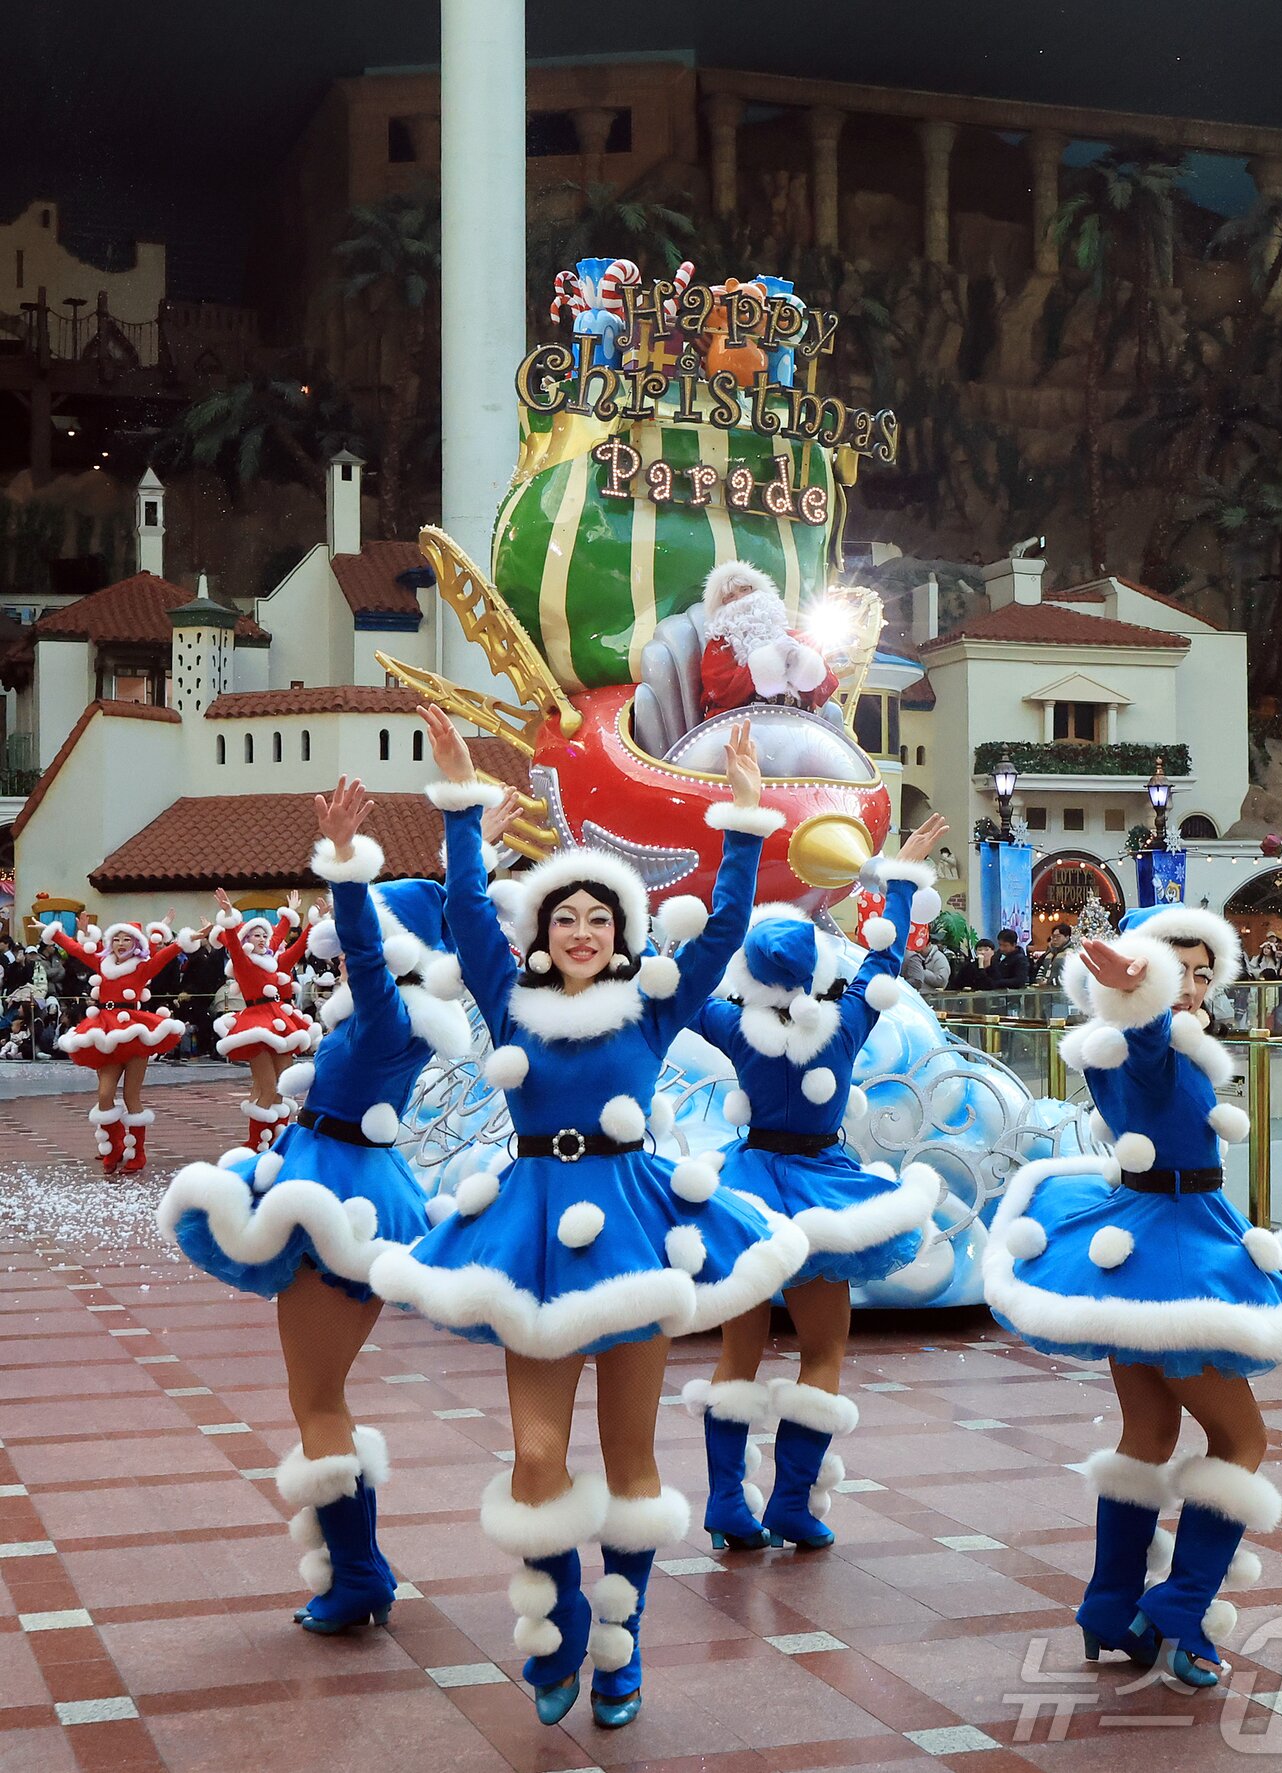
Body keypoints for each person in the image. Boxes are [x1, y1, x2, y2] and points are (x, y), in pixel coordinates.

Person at [369, 707, 809, 1732]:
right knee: (532, 1456)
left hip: (630, 1233)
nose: (580, 933)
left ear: (620, 935)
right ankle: (565, 1611)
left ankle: (623, 1647)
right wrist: (457, 799)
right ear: (544, 933)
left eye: (598, 920)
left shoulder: (652, 1006)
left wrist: (742, 823)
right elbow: (470, 911)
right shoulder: (507, 999)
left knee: (630, 1462)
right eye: (564, 918)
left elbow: (729, 930)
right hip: (526, 1234)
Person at [158, 778, 517, 1637]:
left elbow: (362, 947)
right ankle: (359, 1565)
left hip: (338, 1199)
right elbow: (410, 935)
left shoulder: (389, 1011)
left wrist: (348, 867)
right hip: (342, 1185)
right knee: (317, 1392)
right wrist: (470, 848)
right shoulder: (396, 1013)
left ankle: (357, 1573)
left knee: (316, 1396)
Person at [983, 904, 1282, 1688]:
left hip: (1148, 1237)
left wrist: (1146, 999)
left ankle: (1111, 1606)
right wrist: (1140, 1000)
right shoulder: (1144, 1043)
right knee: (1241, 1442)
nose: (1193, 985)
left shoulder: (1136, 1045)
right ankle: (1180, 1609)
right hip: (1179, 1247)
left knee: (1147, 1431)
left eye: (1203, 969)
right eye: (1175, 968)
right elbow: (1148, 1051)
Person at [683, 818, 949, 1556]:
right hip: (826, 1193)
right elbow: (884, 956)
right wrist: (901, 877)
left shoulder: (732, 1025)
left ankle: (726, 1500)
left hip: (750, 1193)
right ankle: (794, 1502)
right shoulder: (844, 1022)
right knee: (823, 1348)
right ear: (811, 973)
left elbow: (684, 979)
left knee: (739, 1352)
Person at [39, 911, 197, 1174]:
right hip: (106, 1032)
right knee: (104, 1094)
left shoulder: (142, 966)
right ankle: (113, 1146)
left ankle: (138, 1153)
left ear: (136, 944)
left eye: (127, 939)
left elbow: (165, 954)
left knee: (131, 1095)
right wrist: (54, 932)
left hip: (135, 1032)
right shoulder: (103, 964)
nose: (121, 944)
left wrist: (185, 939)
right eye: (117, 939)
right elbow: (76, 949)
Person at [209, 888, 320, 1149]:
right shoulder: (243, 964)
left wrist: (309, 920)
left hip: (280, 1022)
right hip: (256, 1025)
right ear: (247, 939)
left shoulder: (275, 962)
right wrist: (228, 915)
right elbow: (234, 944)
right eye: (255, 935)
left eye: (263, 935)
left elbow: (294, 944)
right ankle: (255, 1143)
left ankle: (276, 1143)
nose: (261, 939)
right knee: (267, 1088)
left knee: (283, 1087)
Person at [699, 561, 838, 720]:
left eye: (745, 590)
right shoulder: (721, 646)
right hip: (747, 721)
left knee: (834, 713)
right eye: (731, 596)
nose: (742, 599)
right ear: (721, 606)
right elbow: (721, 691)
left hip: (799, 720)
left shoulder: (795, 637)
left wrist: (801, 661)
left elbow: (821, 688)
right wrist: (770, 660)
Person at [1035, 922, 1074, 989]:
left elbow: (1070, 976)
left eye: (1058, 937)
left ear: (1067, 937)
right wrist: (1039, 979)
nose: (1055, 939)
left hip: (1061, 993)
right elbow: (1043, 967)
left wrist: (1049, 982)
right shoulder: (1050, 953)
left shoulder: (1070, 954)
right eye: (1053, 936)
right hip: (1046, 992)